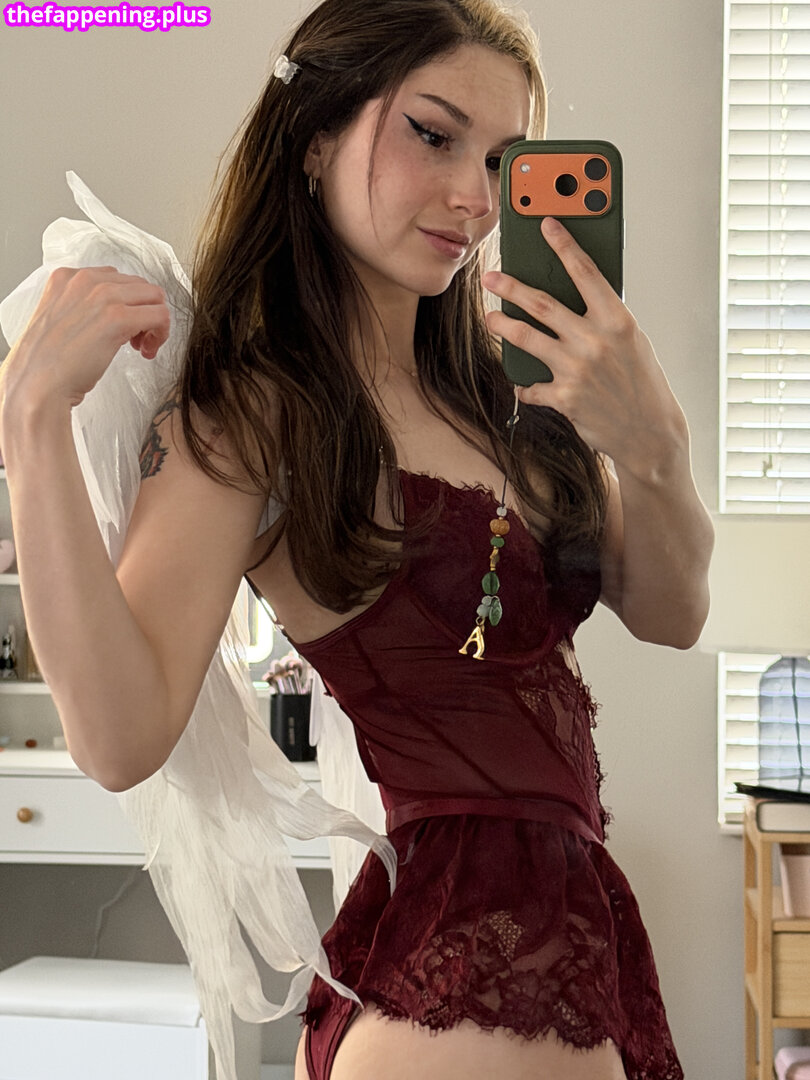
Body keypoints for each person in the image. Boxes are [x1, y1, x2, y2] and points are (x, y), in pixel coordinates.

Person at [0, 0, 714, 1077]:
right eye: (433, 134)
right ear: (316, 133)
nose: (476, 198)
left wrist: (656, 449)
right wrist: (31, 421)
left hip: (556, 943)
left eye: (504, 161)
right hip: (452, 979)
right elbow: (119, 737)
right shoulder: (258, 411)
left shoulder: (510, 392)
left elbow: (673, 613)